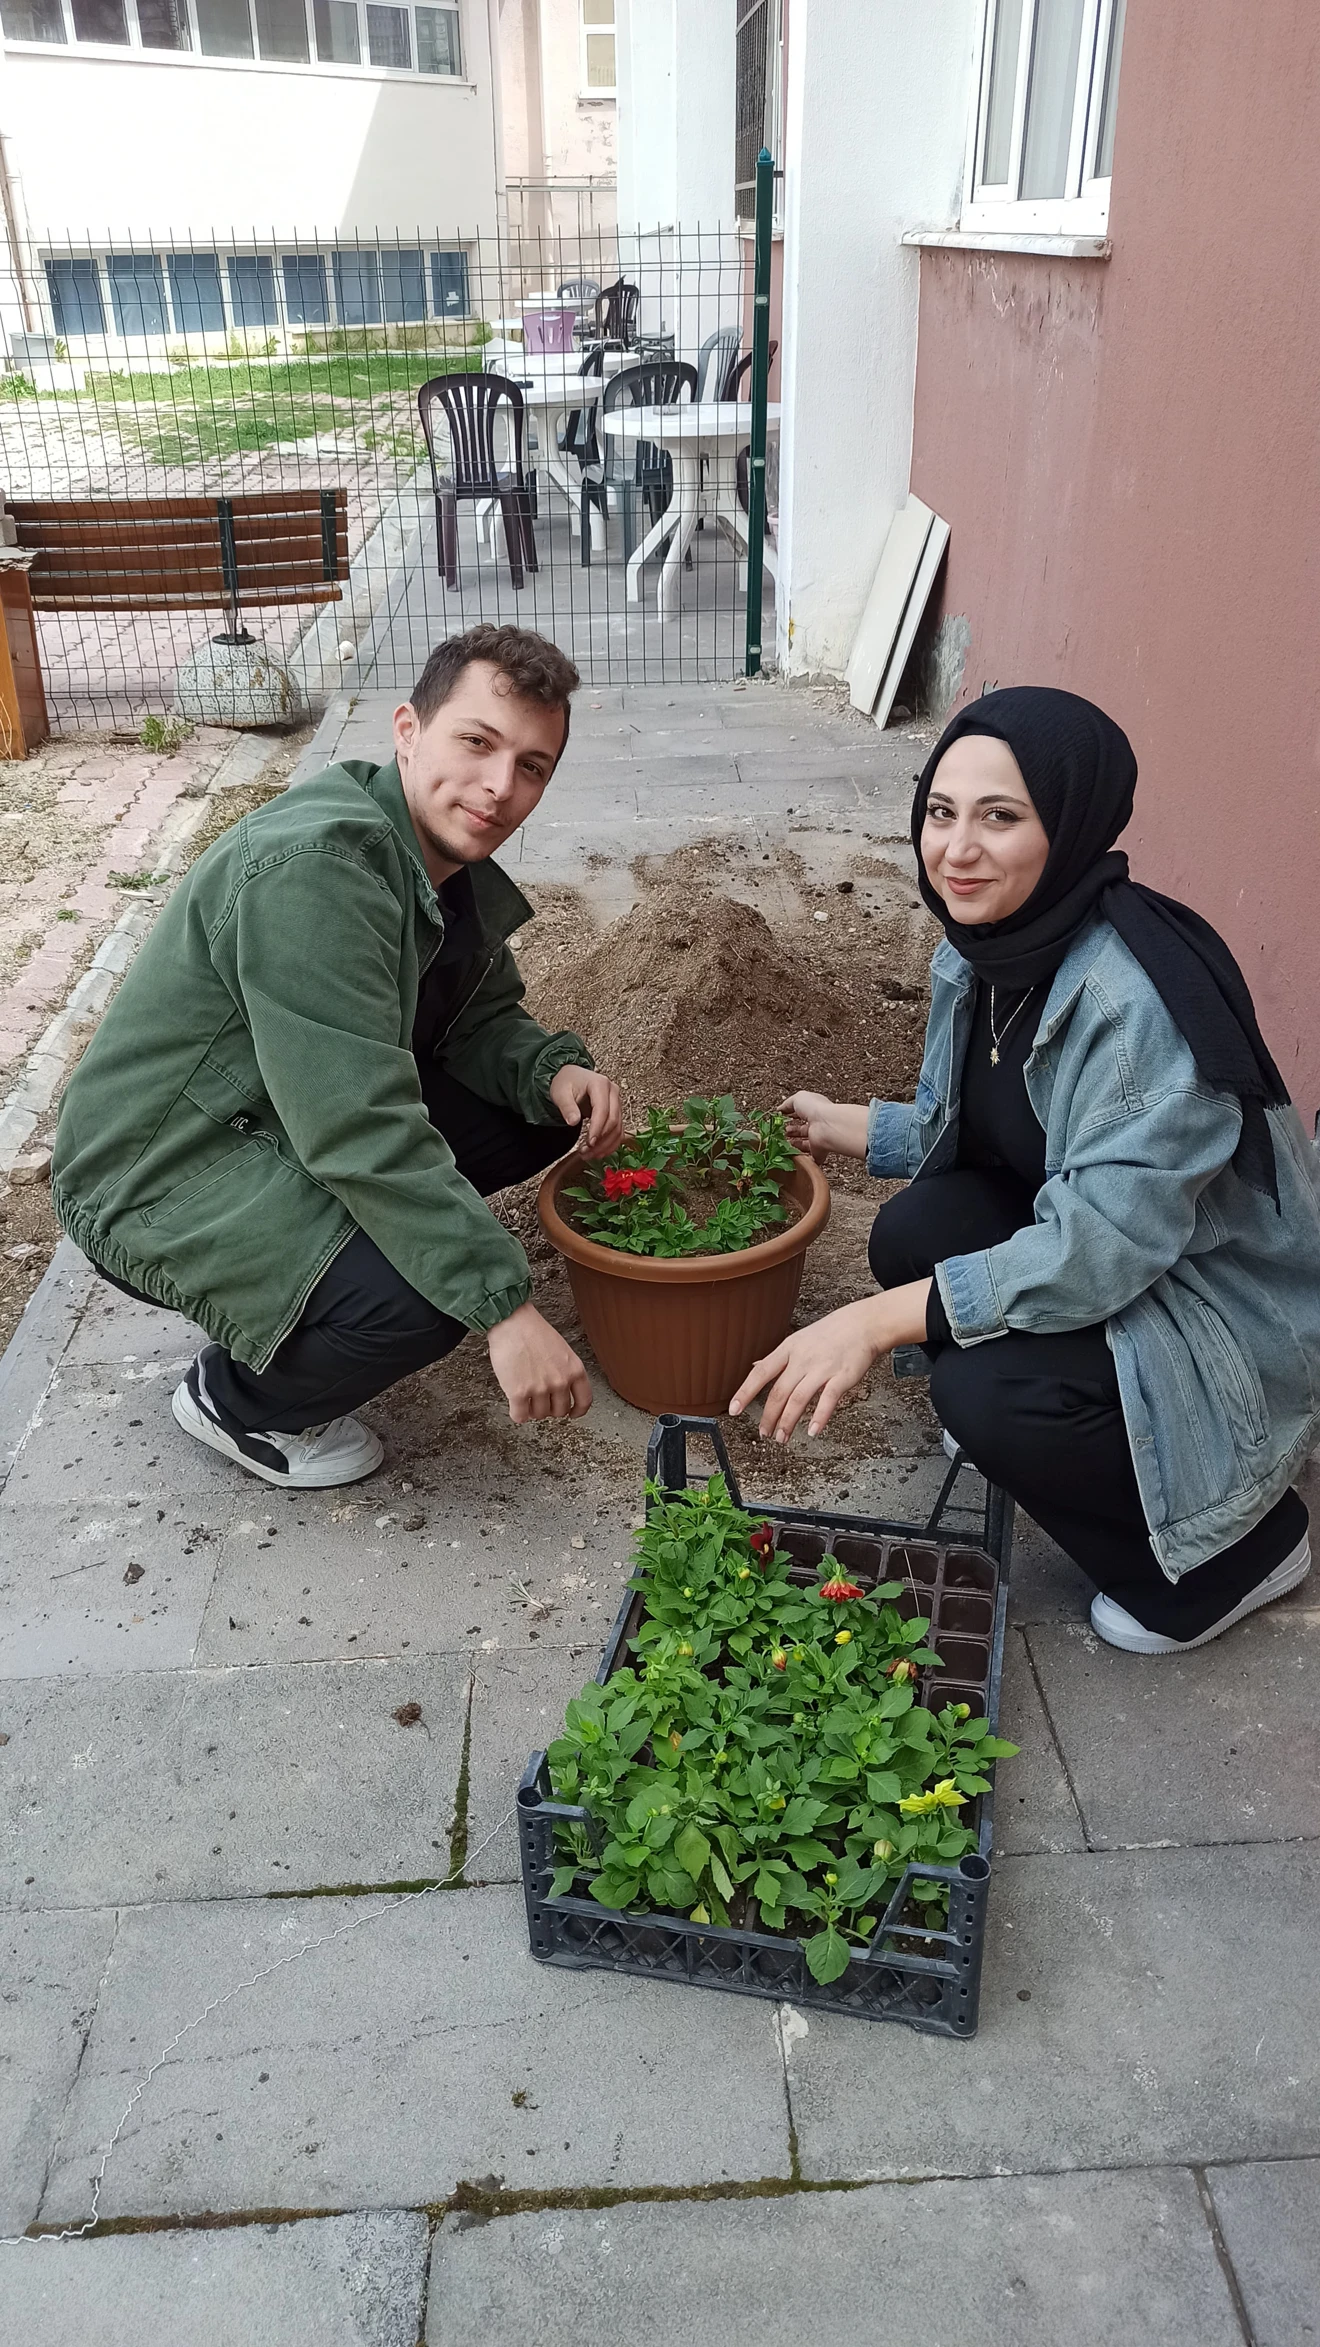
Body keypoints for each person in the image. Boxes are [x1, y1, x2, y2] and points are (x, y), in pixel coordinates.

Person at [731, 685, 1320, 1655]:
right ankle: (1051, 1418)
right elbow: (983, 1125)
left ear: (1071, 823)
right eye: (940, 811)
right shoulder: (986, 950)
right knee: (910, 1233)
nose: (956, 849)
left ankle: (1237, 1557)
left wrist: (876, 1324)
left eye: (1000, 817)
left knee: (984, 1396)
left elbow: (1100, 1248)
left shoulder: (1134, 1006)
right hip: (1125, 1253)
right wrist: (851, 1128)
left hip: (1223, 1323)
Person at [52, 624, 624, 1490]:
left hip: (278, 1110)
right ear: (407, 729)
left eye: (533, 765)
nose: (500, 786)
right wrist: (502, 1306)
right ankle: (239, 1401)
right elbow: (358, 1125)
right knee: (430, 1301)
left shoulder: (434, 855)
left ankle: (334, 1259)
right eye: (477, 741)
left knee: (535, 1113)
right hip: (159, 1169)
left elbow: (475, 1022)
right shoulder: (320, 871)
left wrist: (552, 1071)